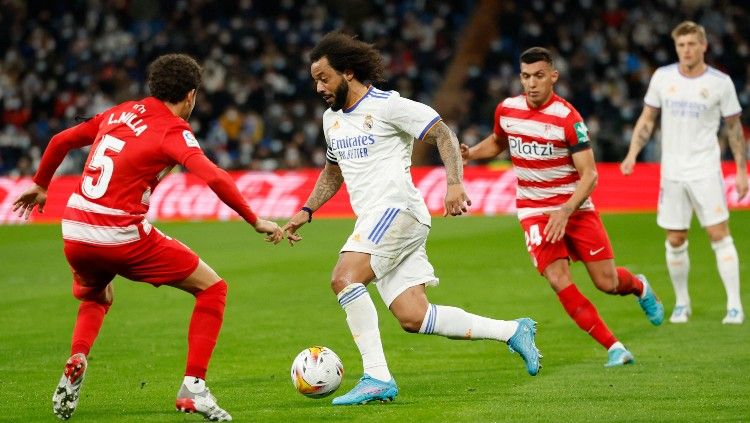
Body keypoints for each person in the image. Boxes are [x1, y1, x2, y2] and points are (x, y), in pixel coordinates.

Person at [12, 54, 283, 421]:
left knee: (97, 295)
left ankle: (78, 355)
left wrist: (41, 184)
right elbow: (215, 177)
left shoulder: (118, 112)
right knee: (212, 288)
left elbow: (60, 140)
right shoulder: (173, 129)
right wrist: (254, 219)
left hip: (75, 226)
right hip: (119, 232)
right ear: (191, 95)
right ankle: (194, 389)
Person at [281, 32, 541, 406]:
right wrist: (307, 210)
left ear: (349, 72)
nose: (319, 87)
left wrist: (454, 183)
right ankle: (513, 331)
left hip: (397, 210)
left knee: (344, 278)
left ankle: (376, 376)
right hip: (375, 219)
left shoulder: (388, 106)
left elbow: (444, 135)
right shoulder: (331, 120)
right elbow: (332, 171)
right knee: (413, 316)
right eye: (315, 80)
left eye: (324, 78)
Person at [461, 47, 665, 367]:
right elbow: (499, 142)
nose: (532, 83)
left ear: (553, 76)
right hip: (533, 210)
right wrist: (471, 153)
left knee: (607, 282)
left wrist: (566, 209)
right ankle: (615, 347)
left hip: (575, 207)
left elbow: (590, 175)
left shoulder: (568, 118)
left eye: (539, 76)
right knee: (559, 279)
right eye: (526, 76)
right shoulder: (507, 110)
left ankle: (639, 286)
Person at [621, 21, 747, 325]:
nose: (686, 50)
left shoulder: (720, 82)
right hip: (672, 172)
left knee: (719, 234)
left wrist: (742, 170)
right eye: (681, 45)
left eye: (692, 44)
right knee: (675, 238)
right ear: (676, 47)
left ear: (704, 45)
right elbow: (648, 118)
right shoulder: (663, 78)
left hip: (705, 169)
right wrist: (632, 154)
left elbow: (734, 128)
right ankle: (682, 303)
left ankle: (734, 305)